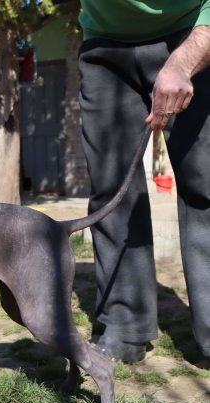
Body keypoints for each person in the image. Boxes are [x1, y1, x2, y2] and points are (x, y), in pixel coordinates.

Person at [78, 1, 210, 363]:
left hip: (192, 33)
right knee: (111, 191)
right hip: (103, 45)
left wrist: (182, 63)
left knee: (206, 186)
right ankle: (125, 324)